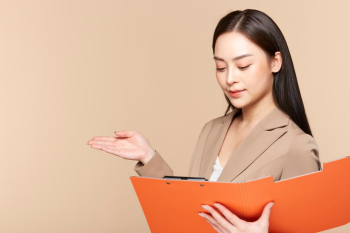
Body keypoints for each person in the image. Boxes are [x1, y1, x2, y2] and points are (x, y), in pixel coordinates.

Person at [87, 9, 322, 233]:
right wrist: (148, 157)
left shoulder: (297, 146)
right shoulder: (212, 130)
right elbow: (190, 213)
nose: (230, 78)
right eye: (221, 67)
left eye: (243, 66)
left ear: (275, 62)